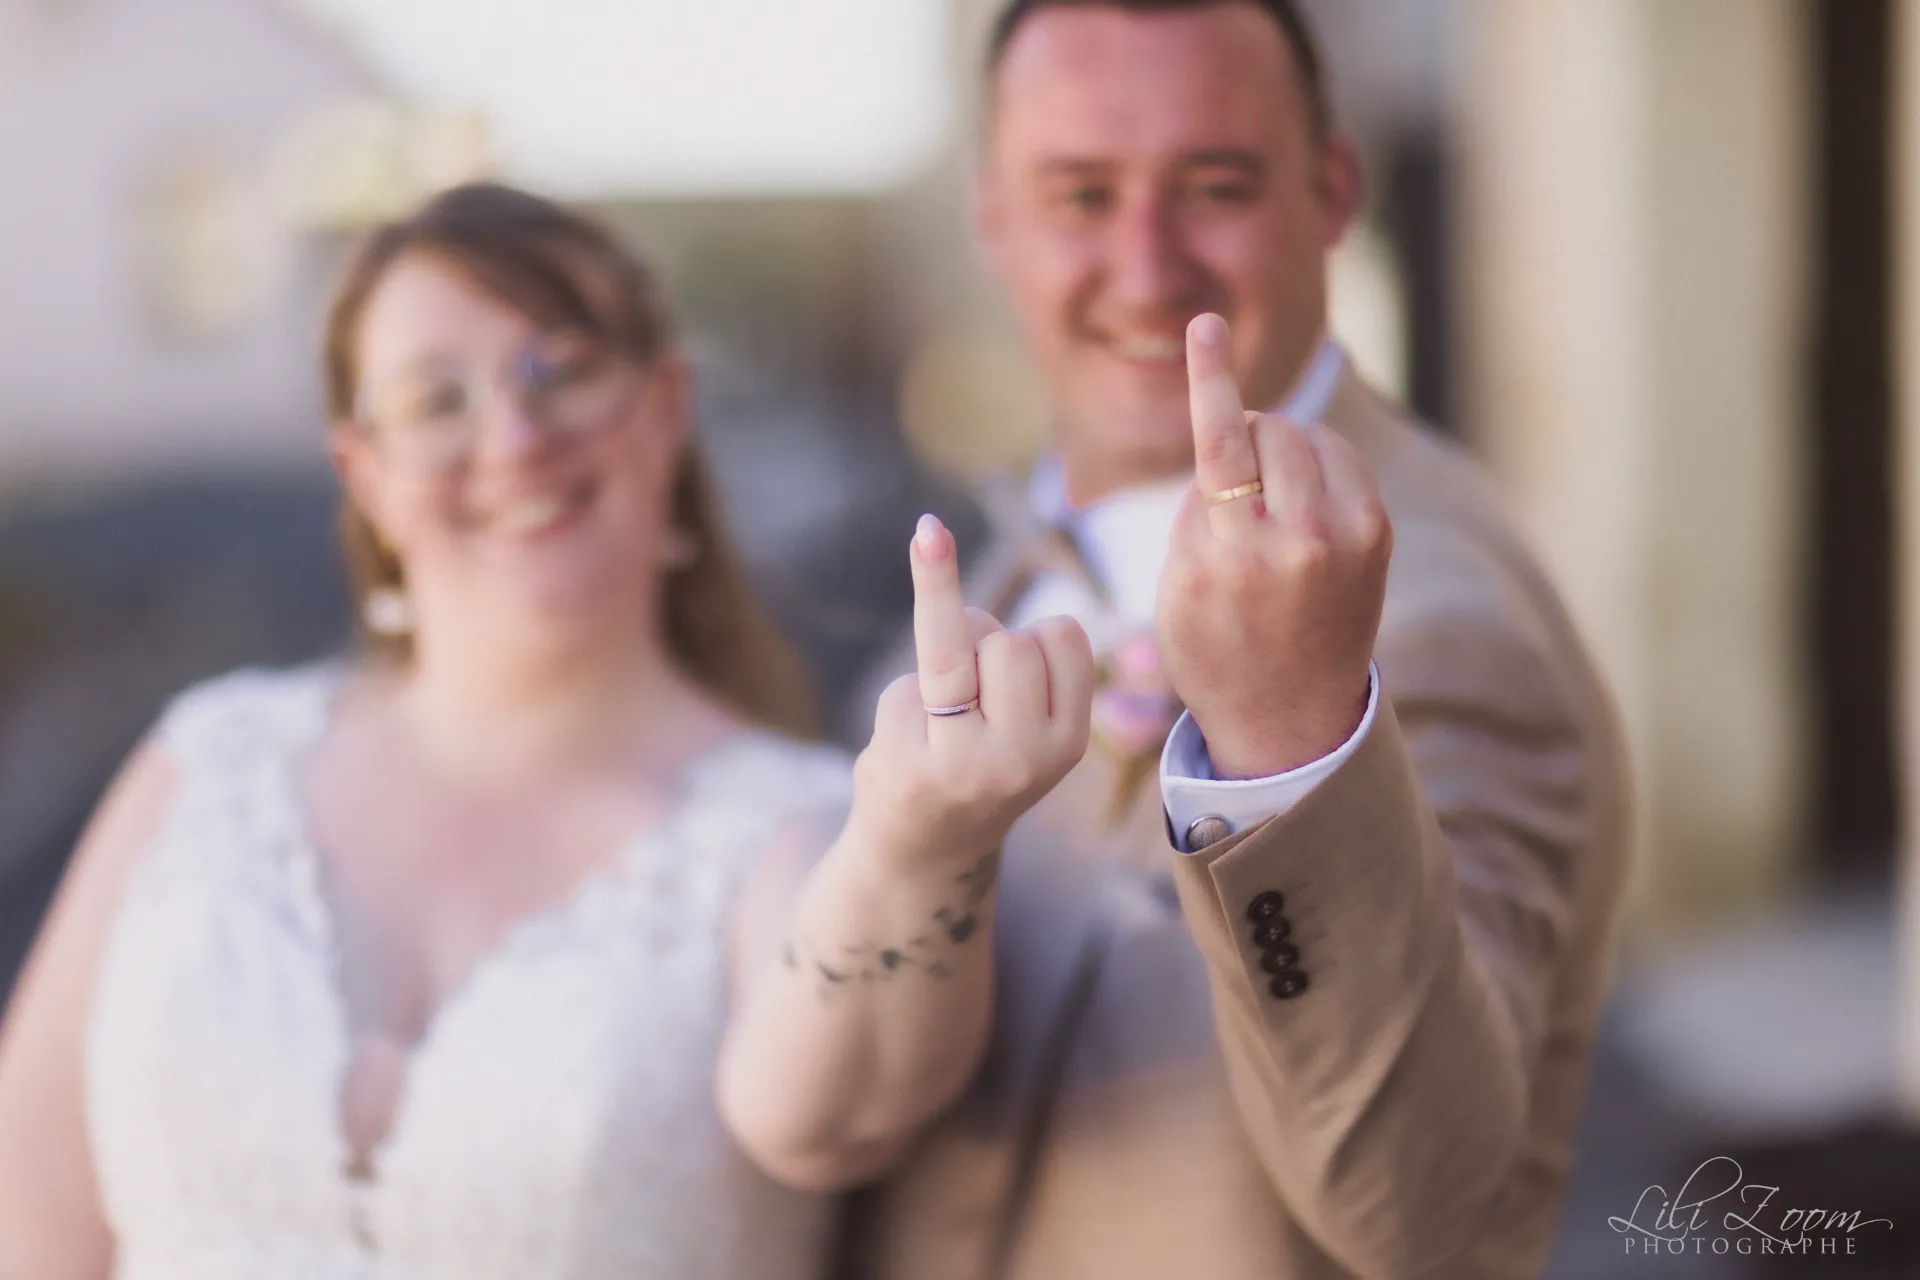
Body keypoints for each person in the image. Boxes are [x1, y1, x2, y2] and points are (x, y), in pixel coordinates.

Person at [0, 183, 1095, 1279]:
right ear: (364, 472)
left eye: (562, 371)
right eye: (436, 399)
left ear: (666, 408)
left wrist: (920, 843)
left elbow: (829, 1110)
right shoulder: (204, 763)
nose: (514, 438)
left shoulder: (790, 822)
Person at [808, 2, 1634, 1277]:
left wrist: (1285, 749)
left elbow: (1427, 1209)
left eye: (1216, 186)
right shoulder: (993, 564)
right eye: (1082, 194)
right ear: (994, 222)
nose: (1147, 268)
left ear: (1332, 192)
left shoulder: (1450, 612)